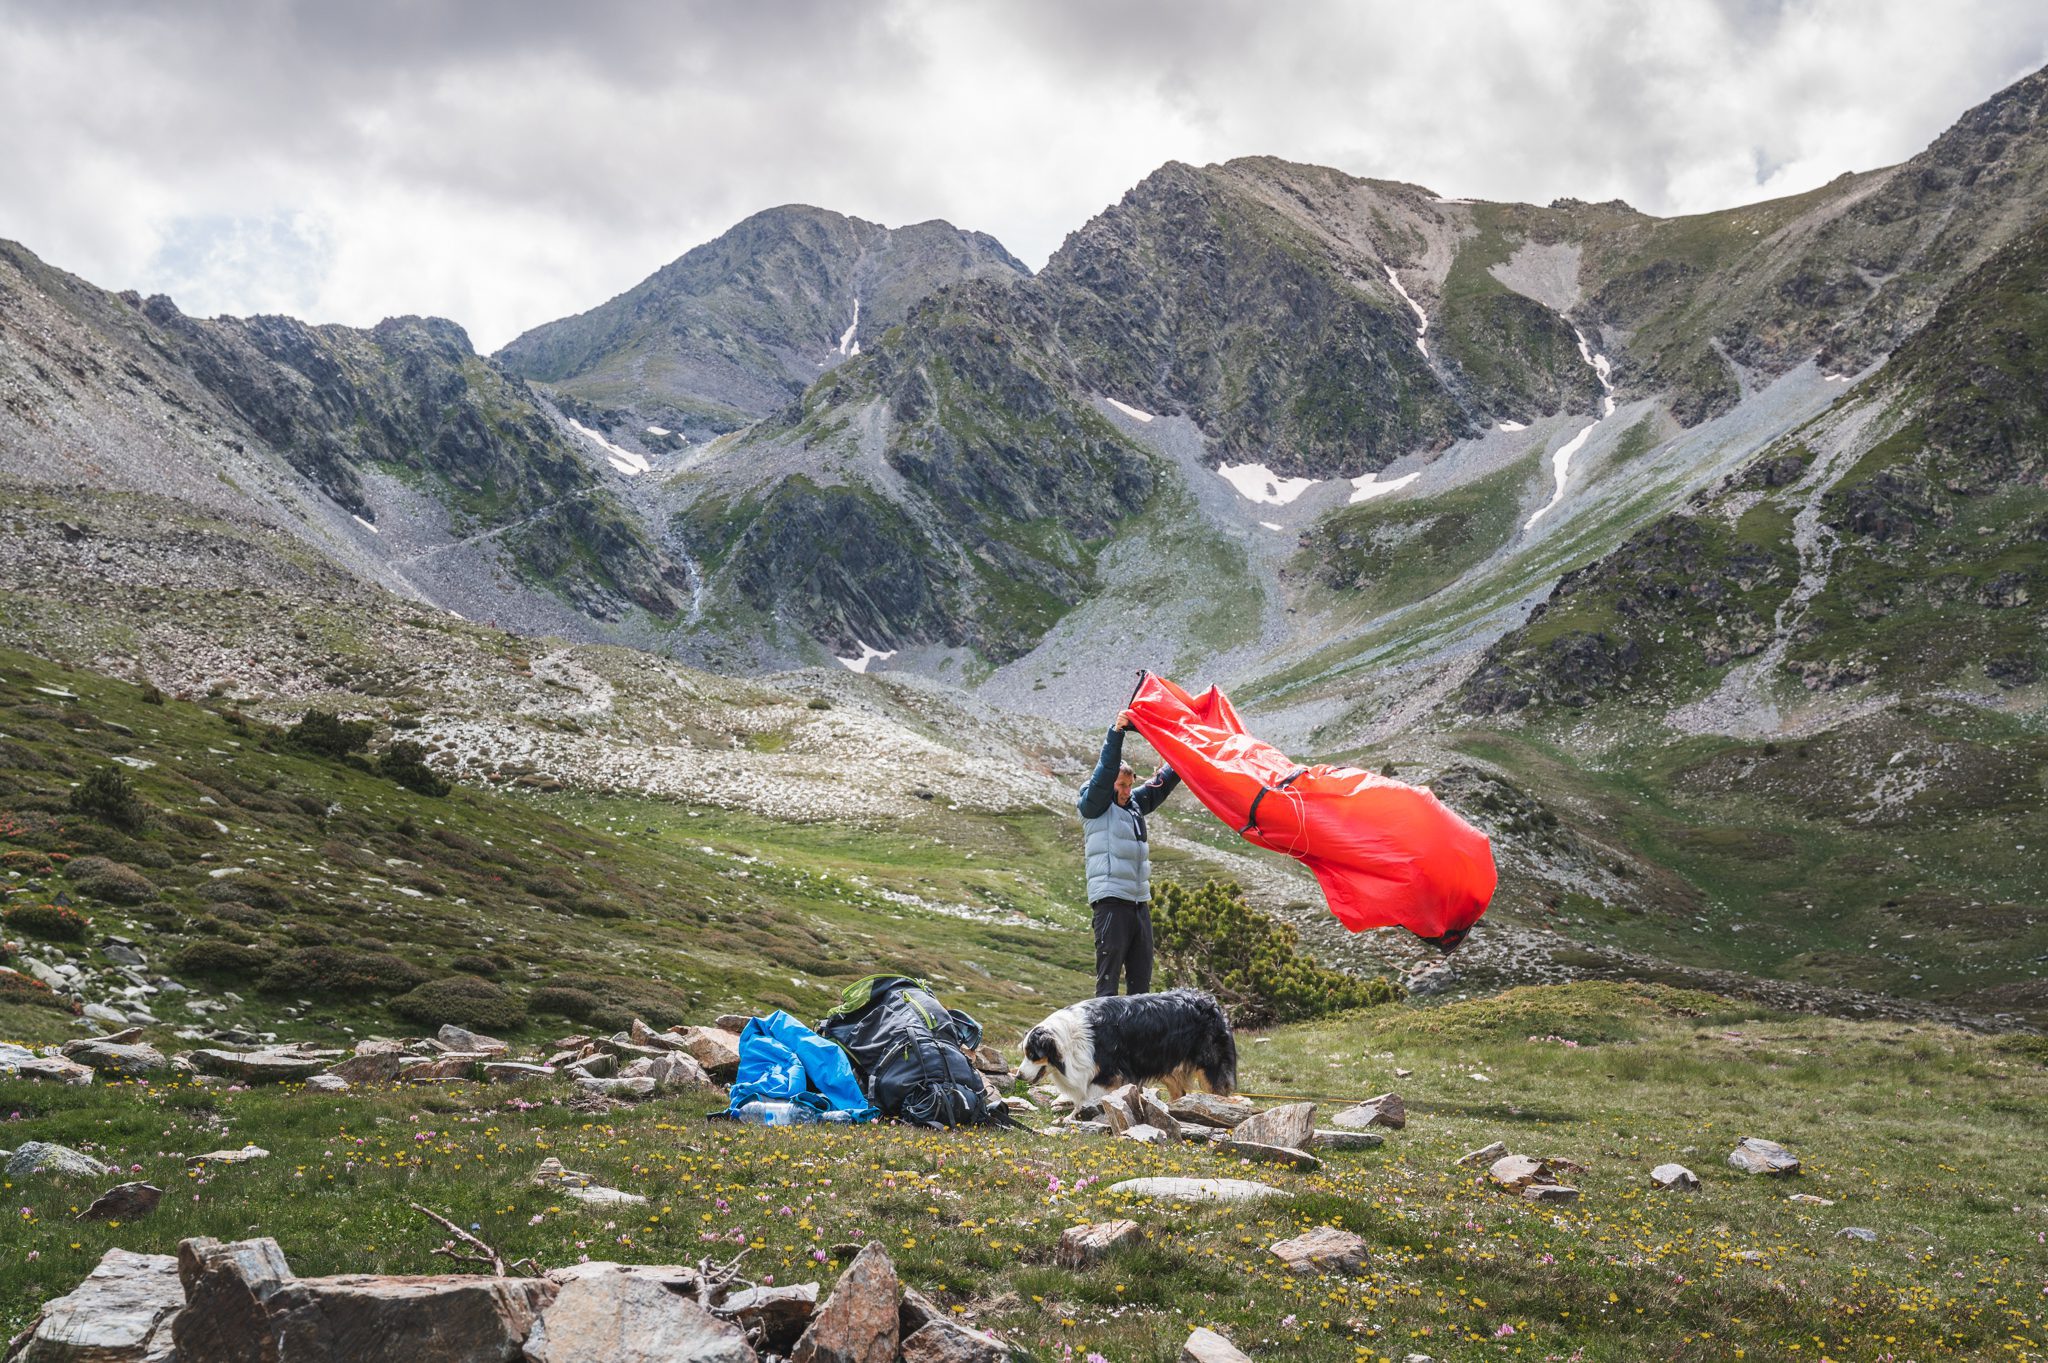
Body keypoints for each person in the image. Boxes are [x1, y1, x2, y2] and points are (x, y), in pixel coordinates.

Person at [1076, 708, 1180, 996]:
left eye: (1129, 785)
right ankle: (1105, 1040)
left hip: (1138, 904)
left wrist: (1182, 753)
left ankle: (1138, 1041)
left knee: (1141, 984)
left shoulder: (1132, 804)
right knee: (1108, 983)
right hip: (1110, 902)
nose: (1126, 791)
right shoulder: (1093, 804)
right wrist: (1117, 733)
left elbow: (1161, 785)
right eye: (1121, 785)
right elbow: (1106, 771)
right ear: (1108, 783)